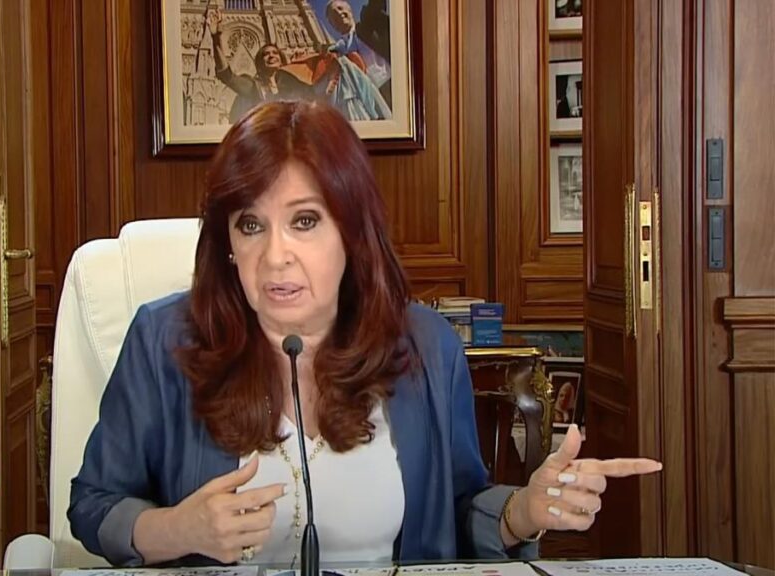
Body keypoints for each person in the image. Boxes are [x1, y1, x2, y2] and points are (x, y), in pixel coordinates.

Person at [68, 100, 663, 567]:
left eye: (305, 221)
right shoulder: (163, 341)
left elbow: (455, 508)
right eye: (250, 225)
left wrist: (523, 511)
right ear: (227, 243)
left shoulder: (426, 349)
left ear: (351, 233)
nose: (275, 256)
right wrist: (174, 529)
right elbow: (93, 504)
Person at [207, 8, 313, 123]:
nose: (271, 56)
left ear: (281, 60)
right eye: (266, 54)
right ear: (260, 63)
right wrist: (216, 39)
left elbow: (316, 92)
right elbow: (227, 76)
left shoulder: (293, 84)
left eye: (275, 53)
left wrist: (302, 65)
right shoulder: (253, 87)